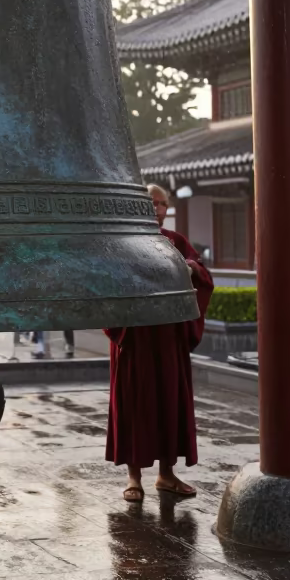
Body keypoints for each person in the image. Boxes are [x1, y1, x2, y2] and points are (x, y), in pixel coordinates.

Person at [105, 183, 213, 502]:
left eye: (162, 204)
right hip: (135, 337)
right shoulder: (123, 243)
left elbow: (203, 276)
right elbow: (109, 284)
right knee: (135, 405)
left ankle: (167, 475)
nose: (157, 209)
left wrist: (192, 268)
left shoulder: (177, 242)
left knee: (170, 403)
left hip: (168, 338)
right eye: (150, 204)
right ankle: (134, 478)